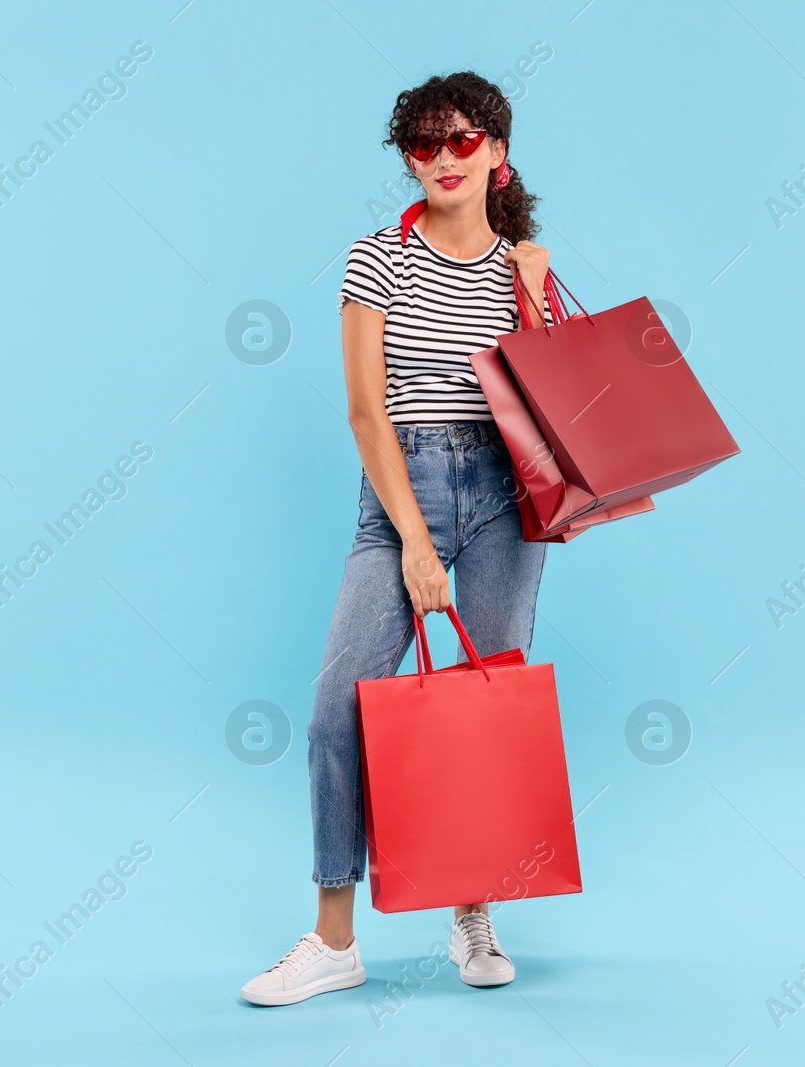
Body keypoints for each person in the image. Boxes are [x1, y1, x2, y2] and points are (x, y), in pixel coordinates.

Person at [240, 71, 557, 1007]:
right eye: (425, 144)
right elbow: (365, 412)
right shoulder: (377, 259)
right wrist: (415, 543)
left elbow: (546, 401)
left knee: (486, 714)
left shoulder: (519, 266)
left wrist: (533, 292)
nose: (444, 158)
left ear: (499, 153)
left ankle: (472, 912)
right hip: (401, 486)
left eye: (463, 140)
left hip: (505, 492)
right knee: (338, 709)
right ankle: (336, 938)